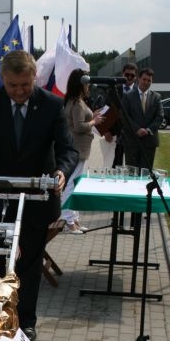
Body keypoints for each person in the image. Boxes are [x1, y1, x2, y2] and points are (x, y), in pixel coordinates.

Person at [0, 50, 78, 341]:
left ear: (34, 77)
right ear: (3, 79)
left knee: (28, 263)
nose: (19, 91)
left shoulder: (51, 105)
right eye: (13, 86)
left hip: (37, 196)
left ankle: (25, 322)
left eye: (25, 85)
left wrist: (61, 172)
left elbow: (67, 149)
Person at [60, 68, 104, 234]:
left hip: (80, 149)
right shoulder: (77, 103)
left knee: (76, 184)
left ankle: (74, 219)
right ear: (81, 84)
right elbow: (79, 126)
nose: (89, 87)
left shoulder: (77, 101)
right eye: (87, 84)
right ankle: (68, 220)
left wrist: (94, 116)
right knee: (71, 185)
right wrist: (94, 121)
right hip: (77, 149)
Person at [121, 67, 164, 170]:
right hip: (132, 142)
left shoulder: (156, 97)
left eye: (149, 80)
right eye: (144, 79)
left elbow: (160, 116)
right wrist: (137, 129)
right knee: (131, 174)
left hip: (149, 143)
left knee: (146, 175)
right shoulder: (128, 96)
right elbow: (124, 116)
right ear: (139, 79)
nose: (146, 82)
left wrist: (148, 130)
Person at [103, 63, 138, 167]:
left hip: (133, 135)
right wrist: (106, 130)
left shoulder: (138, 92)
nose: (129, 77)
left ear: (135, 77)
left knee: (131, 166)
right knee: (114, 165)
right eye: (127, 74)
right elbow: (106, 110)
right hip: (115, 134)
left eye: (132, 75)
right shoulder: (113, 90)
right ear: (123, 74)